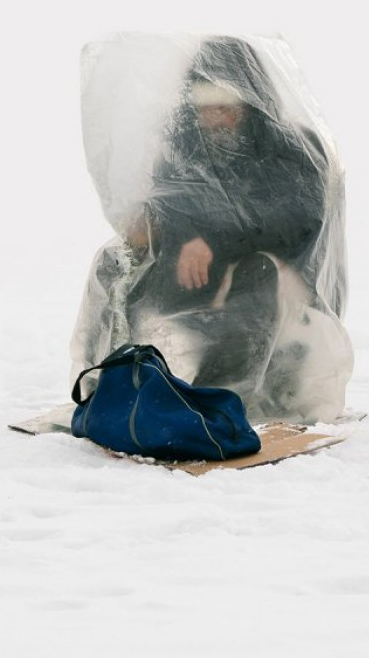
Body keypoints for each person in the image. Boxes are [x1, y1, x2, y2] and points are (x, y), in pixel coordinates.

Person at [70, 34, 352, 424]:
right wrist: (152, 223)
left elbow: (294, 219)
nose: (215, 118)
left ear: (251, 103)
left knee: (260, 272)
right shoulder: (185, 144)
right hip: (201, 273)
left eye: (226, 107)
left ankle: (214, 405)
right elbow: (174, 202)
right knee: (114, 263)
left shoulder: (294, 148)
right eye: (204, 107)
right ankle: (111, 387)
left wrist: (213, 243)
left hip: (274, 279)